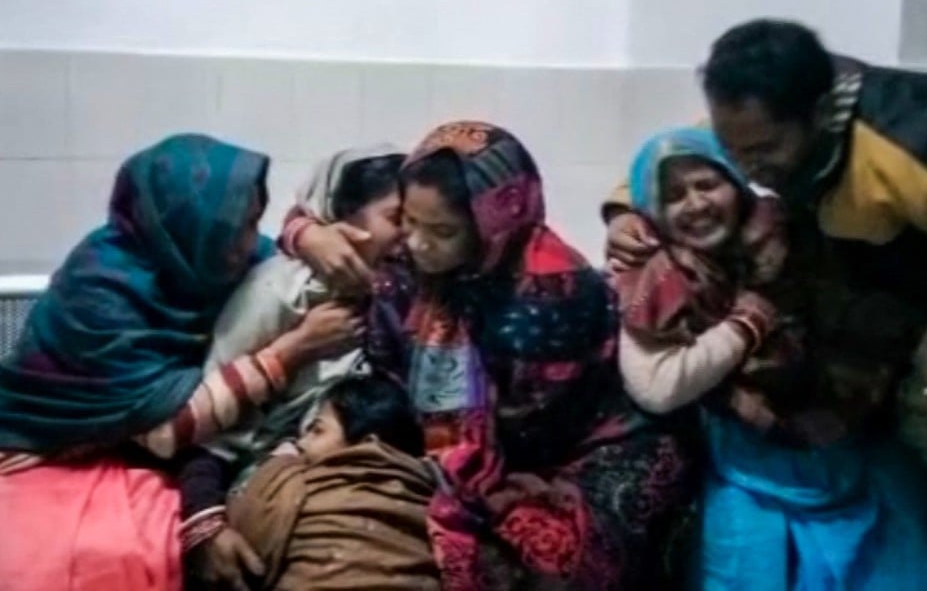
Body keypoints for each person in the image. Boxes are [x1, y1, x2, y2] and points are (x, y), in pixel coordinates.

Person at [605, 19, 927, 589]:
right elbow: (692, 150)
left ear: (821, 114)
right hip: (909, 346)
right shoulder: (769, 120)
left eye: (764, 152)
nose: (747, 170)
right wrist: (625, 208)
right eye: (735, 153)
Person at [297, 121, 689, 589]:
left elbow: (532, 434)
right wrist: (304, 233)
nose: (417, 243)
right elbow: (303, 226)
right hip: (478, 449)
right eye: (409, 220)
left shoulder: (550, 294)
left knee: (537, 554)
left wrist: (447, 479)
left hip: (584, 453)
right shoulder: (412, 266)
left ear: (493, 223)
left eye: (441, 231)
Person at [0, 134, 350, 591]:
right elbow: (164, 433)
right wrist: (291, 352)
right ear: (185, 227)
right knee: (109, 550)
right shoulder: (100, 293)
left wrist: (305, 233)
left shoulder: (205, 256)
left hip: (166, 446)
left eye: (253, 223)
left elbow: (279, 253)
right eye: (238, 229)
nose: (250, 244)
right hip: (55, 447)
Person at [614, 126, 927, 589]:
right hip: (746, 465)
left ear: (735, 181)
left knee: (909, 550)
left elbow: (874, 325)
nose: (696, 204)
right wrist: (749, 321)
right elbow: (657, 389)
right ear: (654, 212)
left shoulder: (800, 234)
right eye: (673, 196)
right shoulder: (658, 279)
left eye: (707, 184)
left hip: (849, 441)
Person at [175, 146, 408, 588]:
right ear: (342, 215)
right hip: (286, 483)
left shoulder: (416, 297)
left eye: (419, 222)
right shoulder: (277, 293)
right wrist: (205, 524)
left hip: (387, 481)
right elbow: (210, 437)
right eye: (397, 219)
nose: (412, 238)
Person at [226, 373, 438, 590]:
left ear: (367, 447)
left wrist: (277, 464)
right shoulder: (433, 500)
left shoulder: (302, 486)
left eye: (317, 430)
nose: (302, 444)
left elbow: (246, 541)